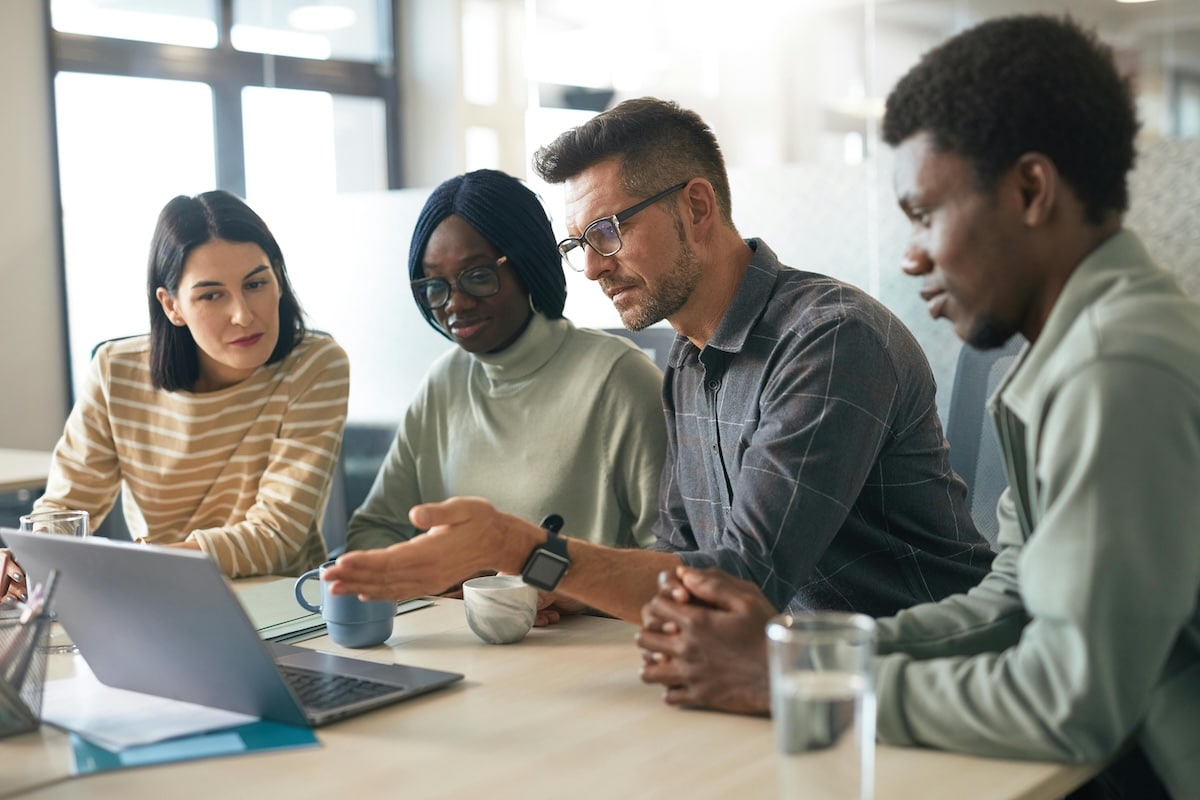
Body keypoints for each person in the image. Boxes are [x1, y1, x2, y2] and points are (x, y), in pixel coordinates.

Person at [637, 15, 1199, 799]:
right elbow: (1013, 601)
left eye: (925, 215)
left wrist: (785, 684)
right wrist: (802, 656)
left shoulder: (1116, 367)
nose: (911, 256)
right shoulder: (1072, 353)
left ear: (1031, 190)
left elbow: (1073, 704)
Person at [323, 99, 992, 625]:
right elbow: (675, 562)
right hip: (782, 682)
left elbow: (742, 581)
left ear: (696, 206)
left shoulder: (830, 340)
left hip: (928, 693)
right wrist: (560, 589)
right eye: (577, 243)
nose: (589, 268)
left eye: (608, 233)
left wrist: (519, 548)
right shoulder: (690, 361)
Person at [2, 190, 349, 603]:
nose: (243, 313)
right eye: (211, 294)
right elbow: (64, 509)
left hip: (284, 608)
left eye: (256, 283)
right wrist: (26, 558)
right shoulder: (116, 372)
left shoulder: (315, 365)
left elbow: (277, 534)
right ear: (172, 306)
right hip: (162, 605)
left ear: (278, 278)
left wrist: (147, 563)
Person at [343, 169, 667, 606]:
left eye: (477, 276)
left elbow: (673, 564)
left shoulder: (619, 380)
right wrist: (447, 581)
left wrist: (542, 583)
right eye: (435, 285)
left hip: (587, 651)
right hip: (464, 644)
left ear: (528, 265)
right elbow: (374, 531)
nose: (454, 302)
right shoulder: (445, 381)